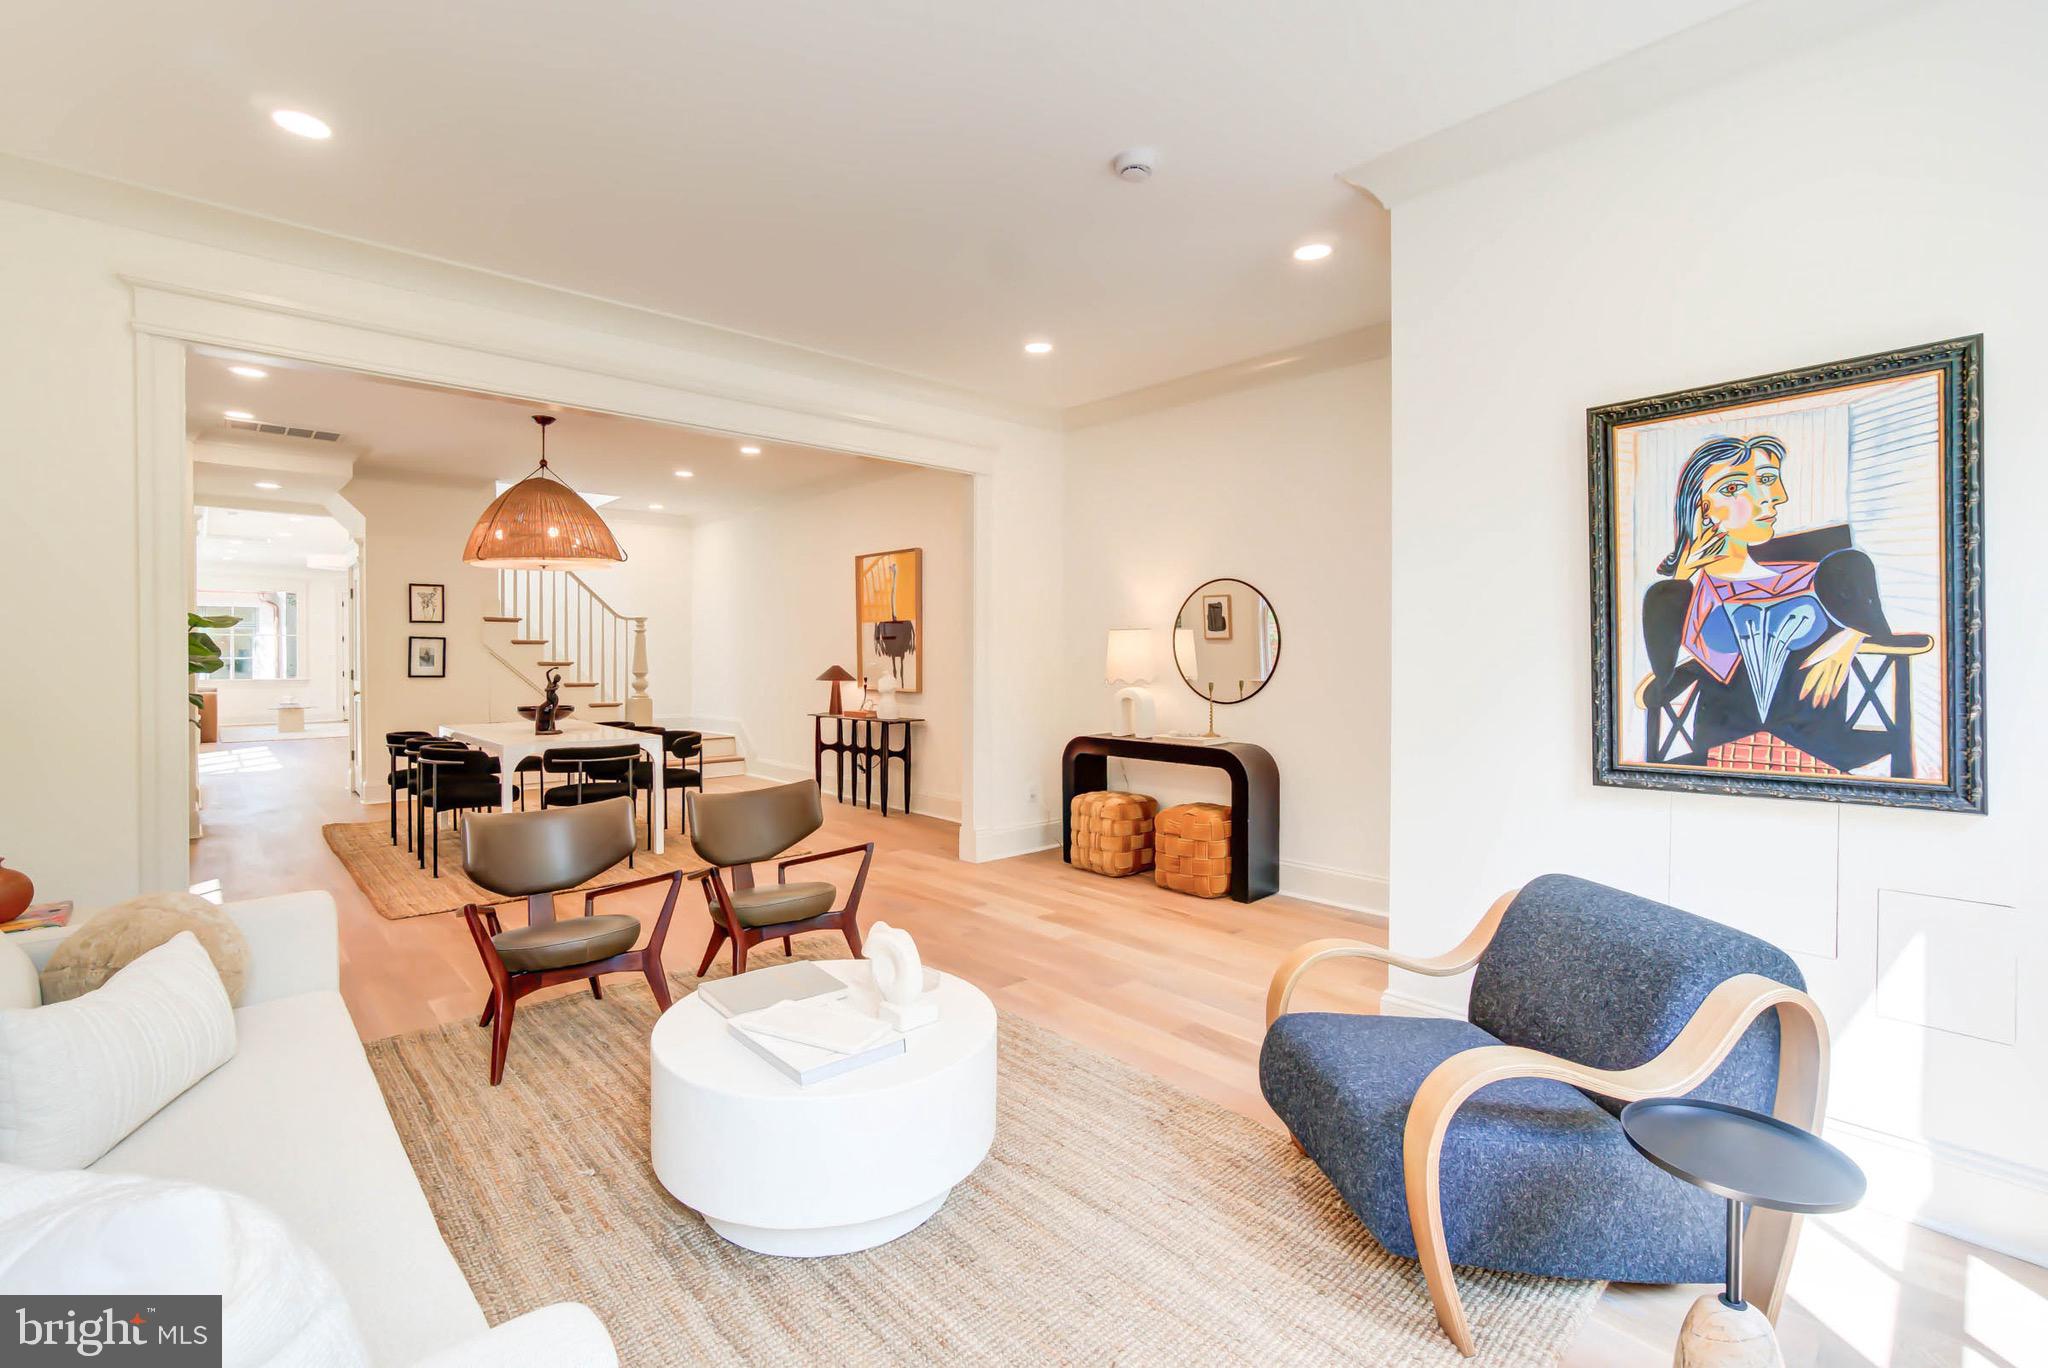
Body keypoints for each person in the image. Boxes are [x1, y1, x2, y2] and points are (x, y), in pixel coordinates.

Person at [1638, 433, 1928, 775]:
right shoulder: (1685, 593)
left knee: (1849, 563)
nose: (1771, 498)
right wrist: (1686, 571)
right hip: (1722, 736)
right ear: (1703, 507)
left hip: (1816, 736)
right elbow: (1673, 677)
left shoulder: (1824, 573)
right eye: (1734, 488)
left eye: (1767, 481)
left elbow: (1876, 627)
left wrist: (1849, 638)